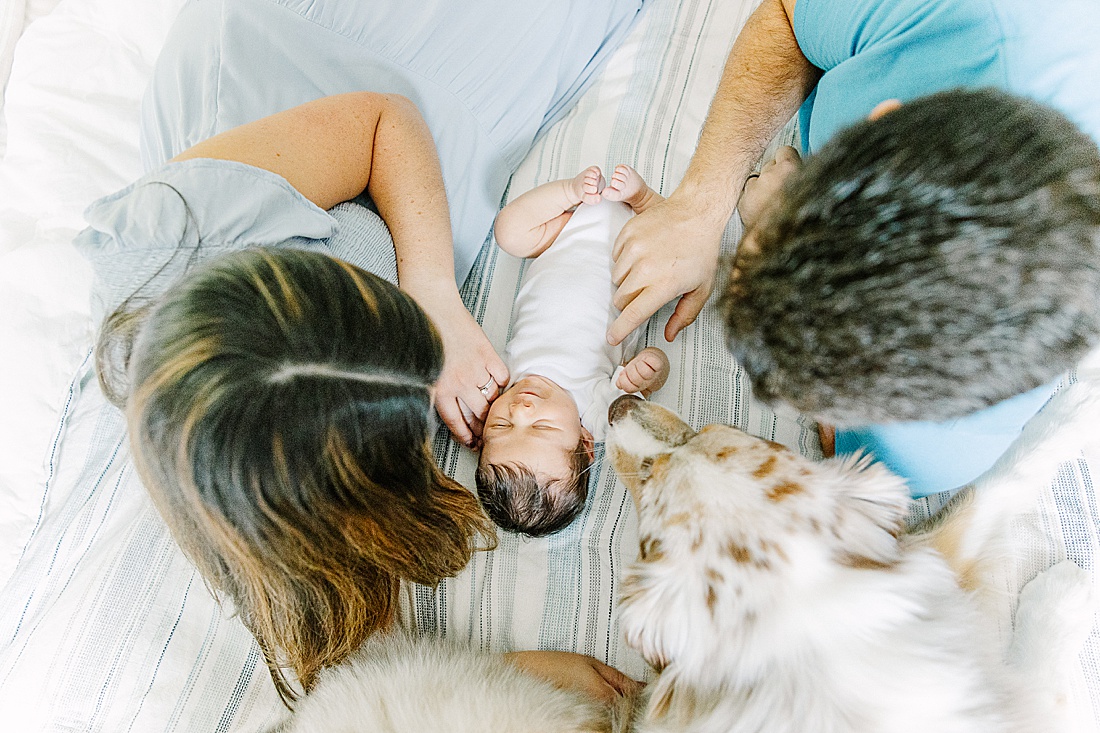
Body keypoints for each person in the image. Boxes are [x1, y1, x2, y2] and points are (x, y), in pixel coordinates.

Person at [76, 0, 647, 703]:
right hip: (446, 136)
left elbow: (384, 121)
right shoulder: (276, 502)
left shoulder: (163, 242)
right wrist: (508, 676)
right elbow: (340, 662)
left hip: (313, 62)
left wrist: (436, 298)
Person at [605, 0, 1100, 495]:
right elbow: (786, 13)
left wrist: (769, 212)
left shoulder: (923, 458)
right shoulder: (960, 13)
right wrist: (701, 203)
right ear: (885, 119)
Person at [477, 165, 670, 536]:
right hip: (634, 247)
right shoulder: (596, 411)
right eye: (541, 426)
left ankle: (569, 188)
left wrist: (573, 193)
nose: (521, 409)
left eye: (501, 425)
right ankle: (645, 199)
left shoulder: (502, 381)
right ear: (584, 441)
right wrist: (649, 368)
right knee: (675, 256)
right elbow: (651, 381)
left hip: (566, 233)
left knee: (509, 233)